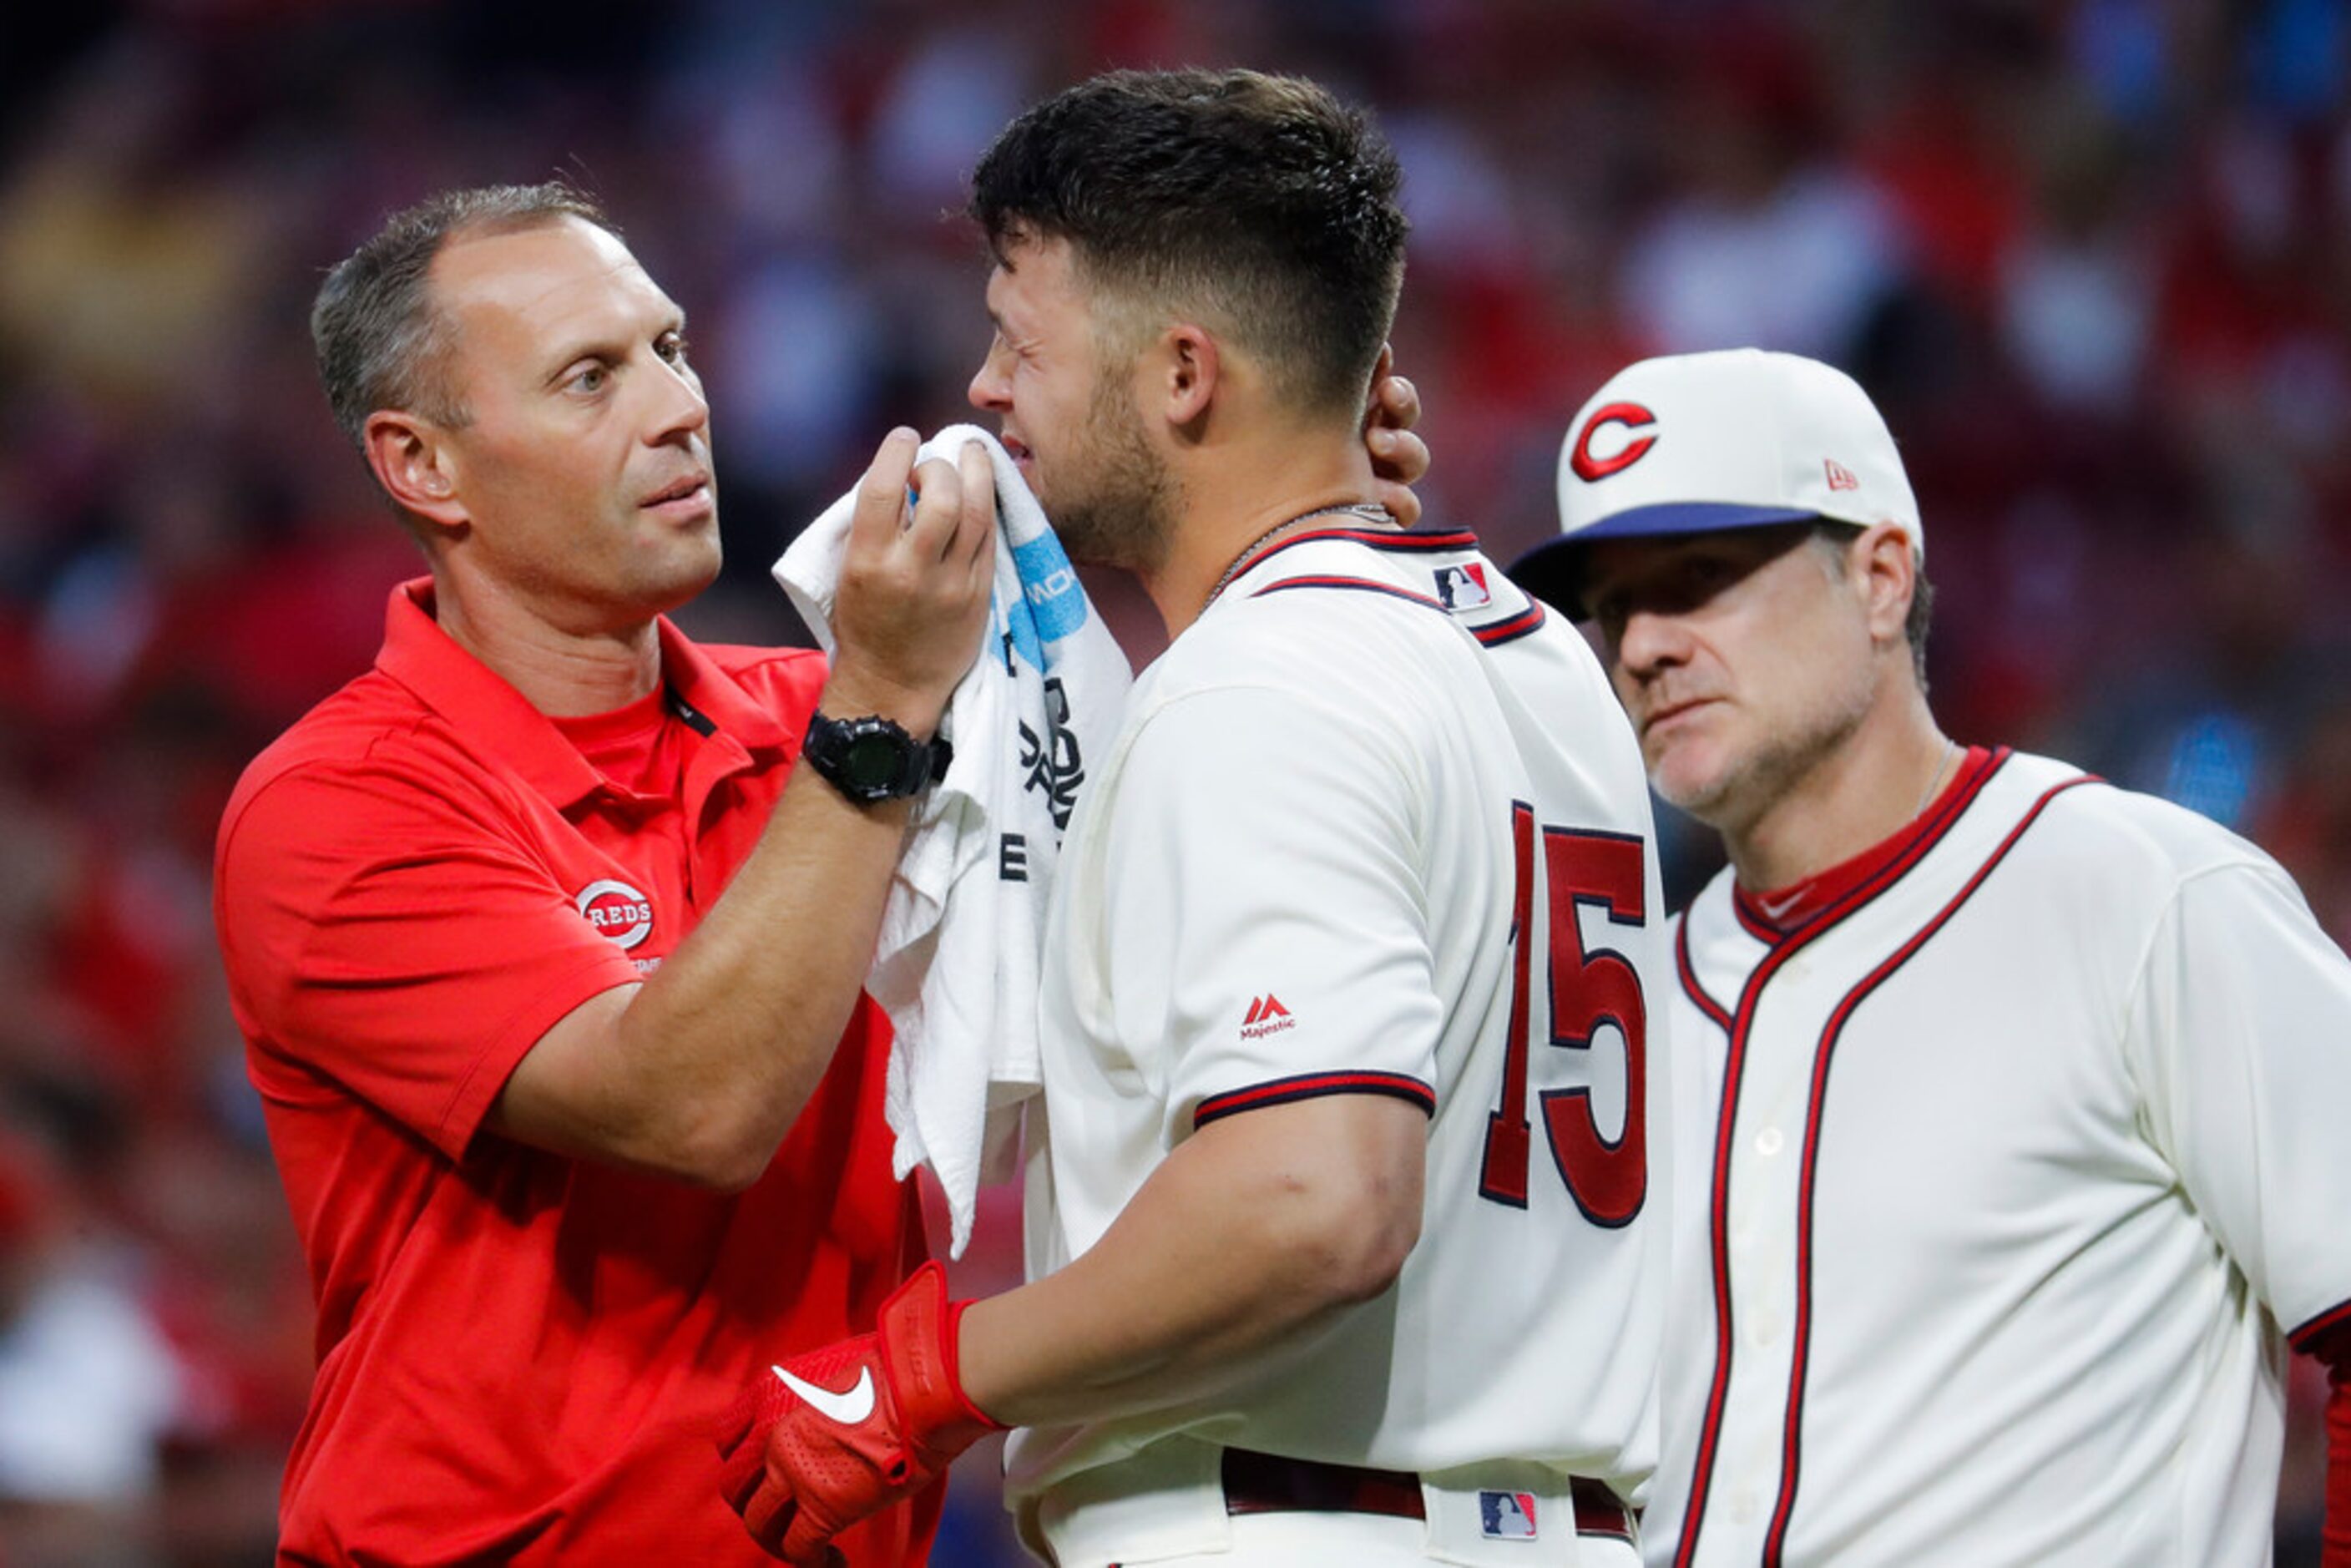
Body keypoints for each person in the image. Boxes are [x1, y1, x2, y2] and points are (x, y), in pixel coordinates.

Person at [214, 182, 1428, 1565]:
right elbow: (692, 1105)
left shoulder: (828, 716)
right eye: (589, 378)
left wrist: (1300, 510)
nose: (680, 408)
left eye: (669, 348)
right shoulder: (345, 802)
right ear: (422, 464)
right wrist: (874, 715)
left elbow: (1169, 858)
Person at [716, 69, 1674, 1568]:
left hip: (1298, 1523)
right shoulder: (1540, 657)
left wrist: (932, 1376)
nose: (984, 391)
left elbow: (1315, 1198)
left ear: (1182, 375)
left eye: (1019, 340)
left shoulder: (1262, 682)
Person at [1508, 346, 2351, 1567]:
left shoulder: (2144, 897)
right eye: (1615, 605)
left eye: (1698, 579)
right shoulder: (1624, 1007)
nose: (1643, 645)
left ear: (1882, 576)